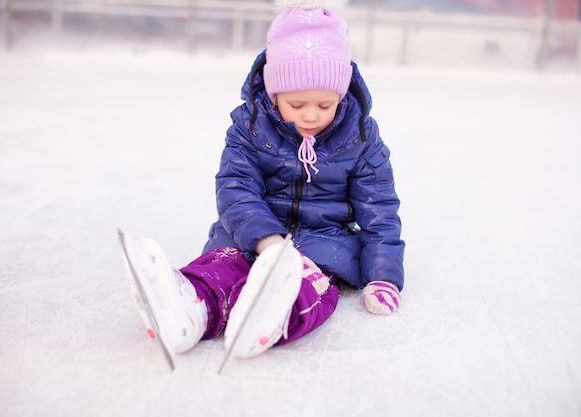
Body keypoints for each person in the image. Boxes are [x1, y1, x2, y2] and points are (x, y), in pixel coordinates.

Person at [121, 0, 405, 362]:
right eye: (297, 104)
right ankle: (191, 309)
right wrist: (267, 243)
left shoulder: (360, 136)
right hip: (247, 236)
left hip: (323, 247)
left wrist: (384, 276)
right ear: (274, 94)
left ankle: (274, 316)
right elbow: (235, 188)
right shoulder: (249, 127)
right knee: (222, 267)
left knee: (309, 288)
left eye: (325, 104)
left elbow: (378, 206)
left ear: (342, 94)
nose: (311, 116)